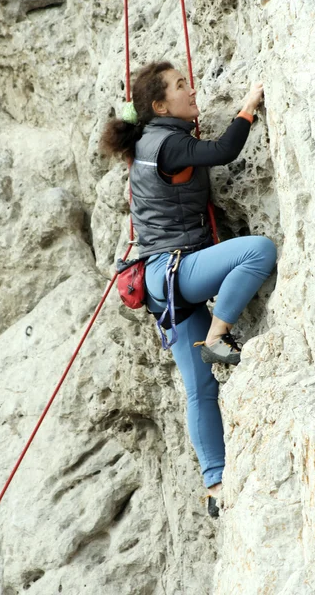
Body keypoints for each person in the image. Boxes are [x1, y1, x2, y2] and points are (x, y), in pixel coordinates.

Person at [101, 61, 277, 517]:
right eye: (182, 85)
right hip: (177, 269)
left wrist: (136, 107)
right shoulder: (170, 144)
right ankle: (217, 336)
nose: (192, 88)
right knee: (257, 251)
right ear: (159, 106)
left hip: (161, 284)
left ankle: (215, 484)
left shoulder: (142, 140)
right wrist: (249, 107)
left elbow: (132, 110)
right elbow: (223, 152)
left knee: (200, 390)